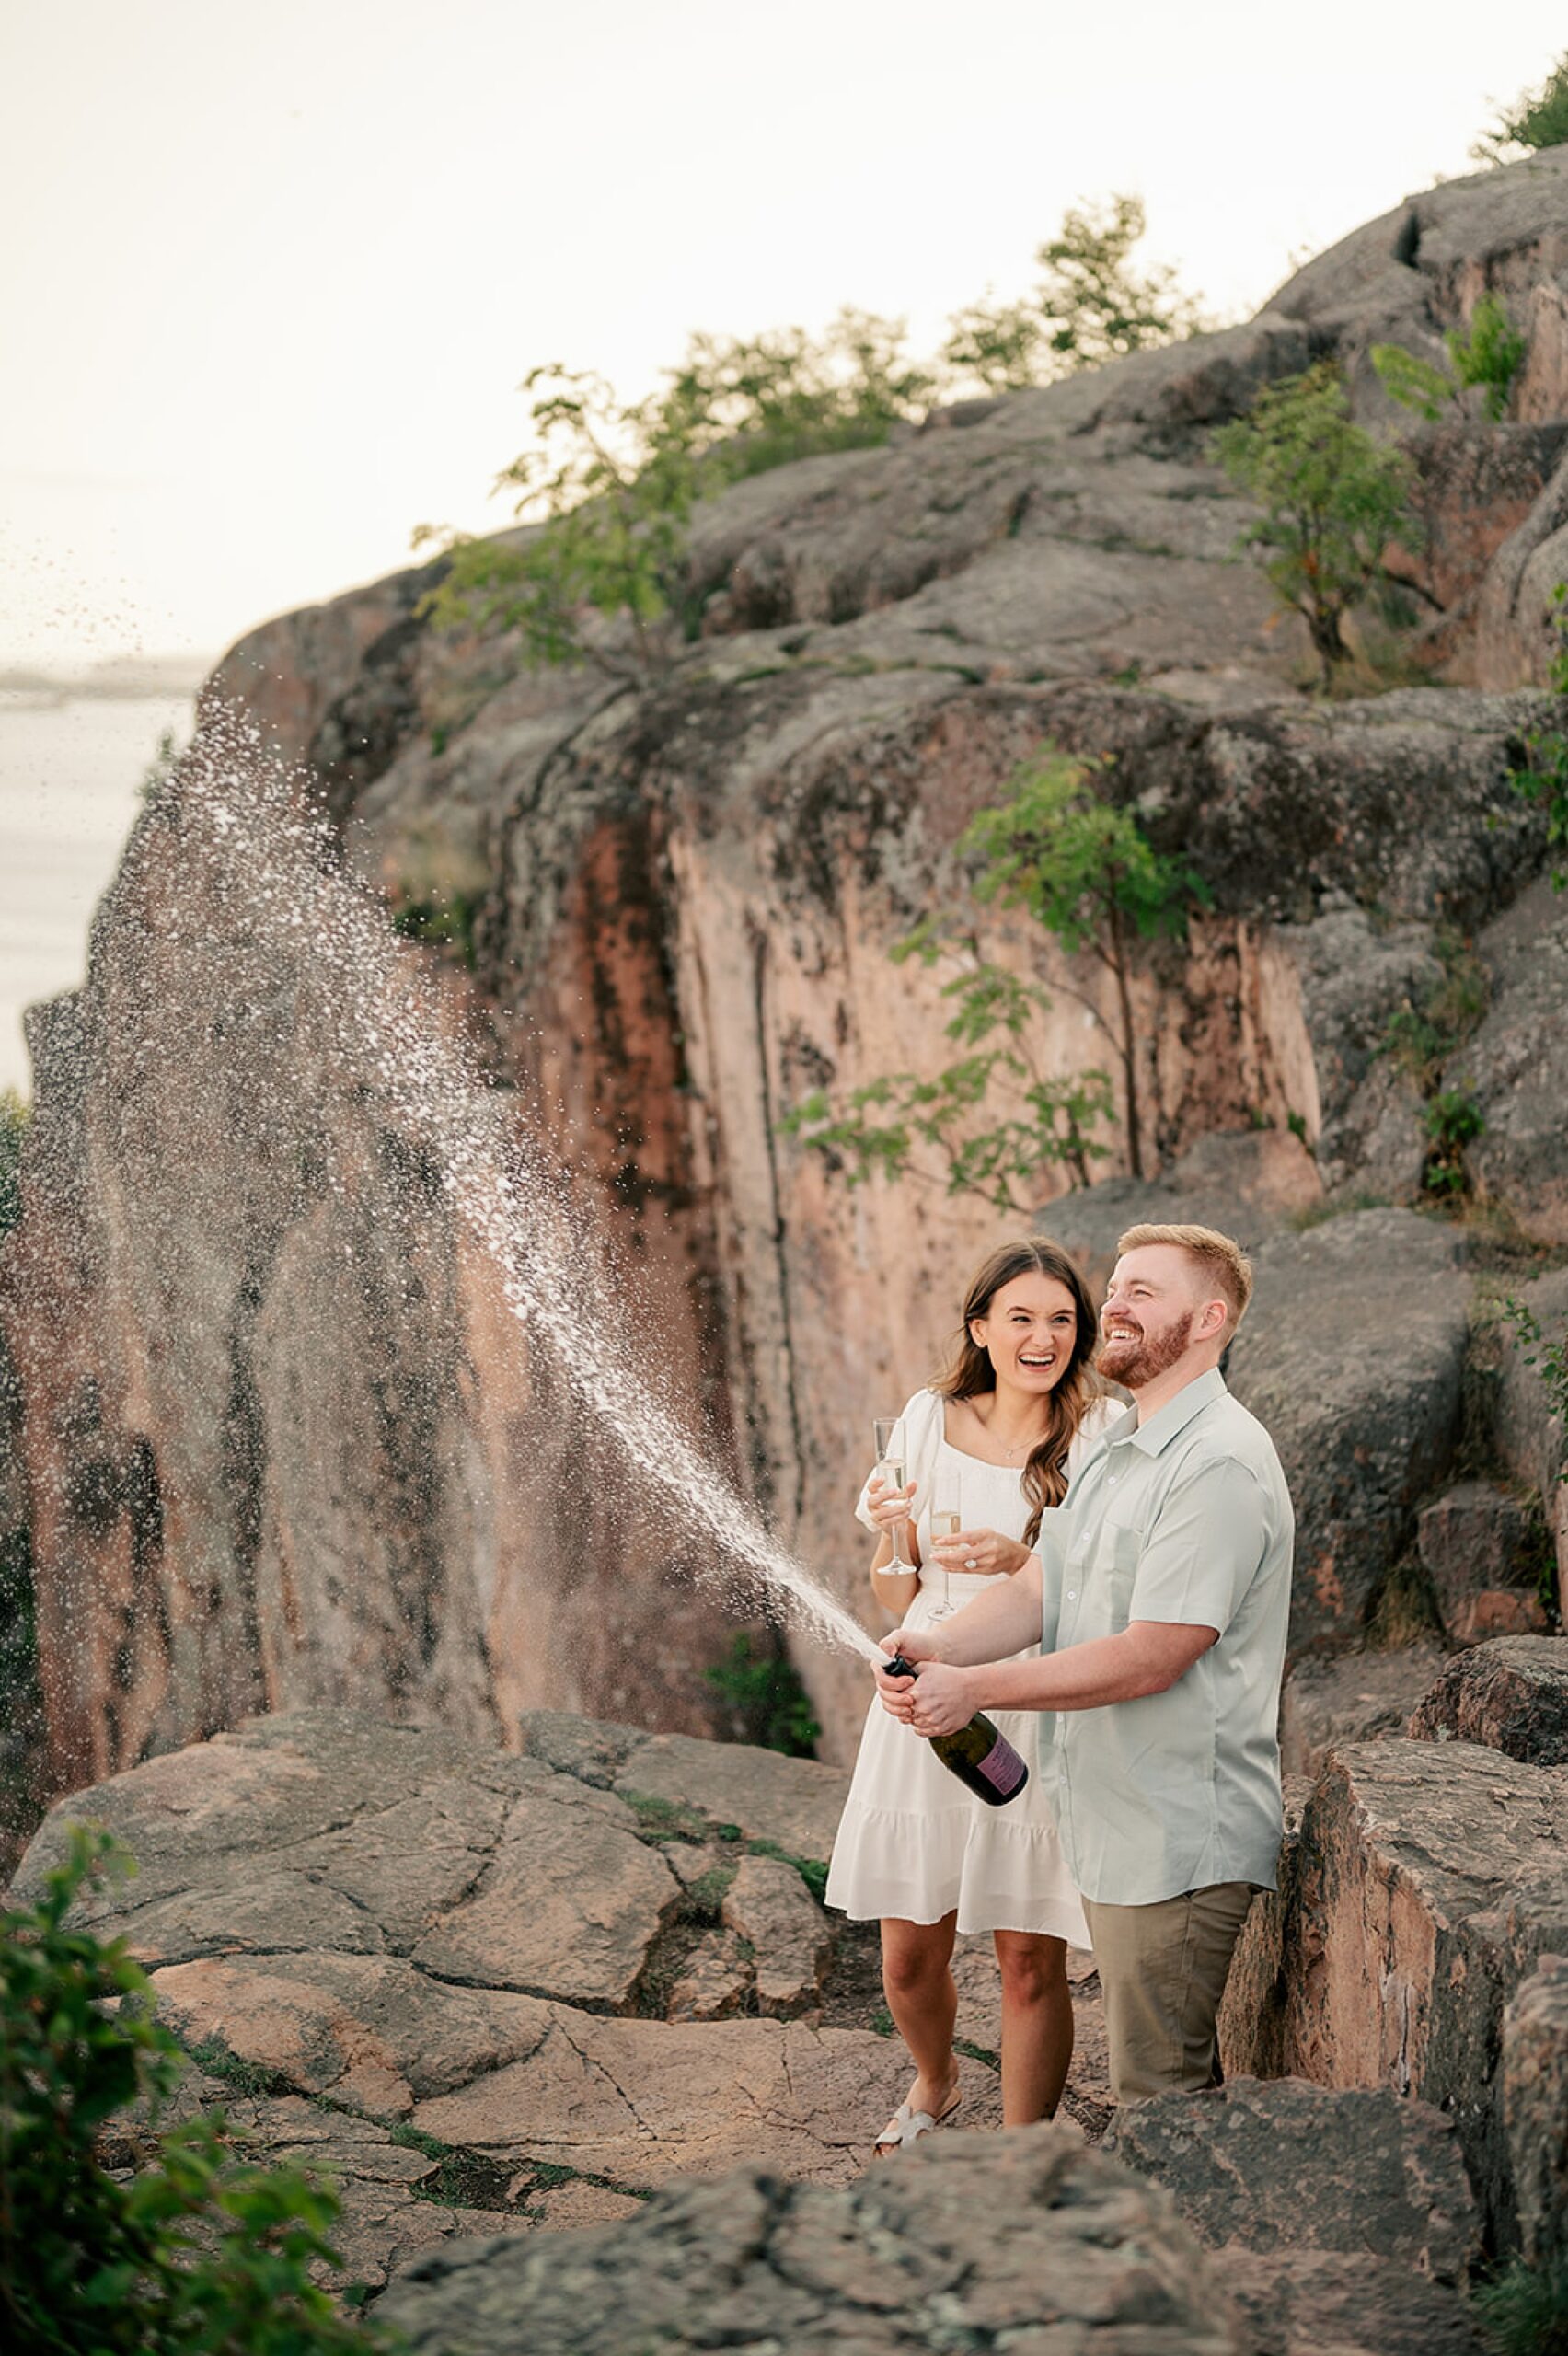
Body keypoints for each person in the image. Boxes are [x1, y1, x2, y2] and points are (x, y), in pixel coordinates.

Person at [876, 1222, 1293, 2110]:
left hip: (1180, 1835)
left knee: (1160, 2101)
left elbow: (1152, 1657)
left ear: (1210, 1318)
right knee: (1160, 2091)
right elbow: (1045, 1587)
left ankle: (1172, 2247)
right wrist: (939, 1646)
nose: (1114, 1306)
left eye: (1144, 1290)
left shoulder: (1215, 1461)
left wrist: (972, 1689)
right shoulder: (1121, 1450)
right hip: (1118, 1822)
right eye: (1117, 1288)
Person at [824, 1237, 1121, 2154]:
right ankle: (937, 2078)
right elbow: (895, 1591)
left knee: (1029, 1957)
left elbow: (1109, 1587)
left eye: (1062, 1319)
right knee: (910, 1954)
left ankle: (1024, 2150)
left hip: (1034, 1690)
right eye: (1022, 1317)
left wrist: (1025, 1562)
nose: (1043, 1337)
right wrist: (889, 1536)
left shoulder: (1103, 1433)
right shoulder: (925, 1417)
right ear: (981, 1325)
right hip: (925, 1683)